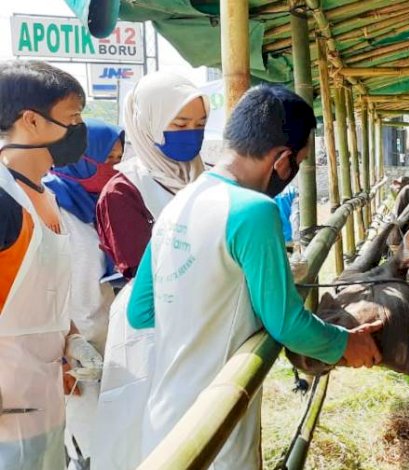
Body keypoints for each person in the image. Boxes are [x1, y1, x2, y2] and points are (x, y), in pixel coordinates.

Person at [124, 84, 381, 469]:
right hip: (215, 419)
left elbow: (140, 311)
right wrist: (346, 344)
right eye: (300, 161)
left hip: (162, 416)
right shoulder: (254, 211)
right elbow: (287, 323)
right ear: (282, 160)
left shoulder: (182, 200)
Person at [0, 60, 102, 470]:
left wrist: (72, 338)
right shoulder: (4, 202)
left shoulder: (47, 196)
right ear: (31, 121)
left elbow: (47, 292)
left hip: (43, 398)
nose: (79, 130)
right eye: (72, 118)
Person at [41, 119, 124, 466]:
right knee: (85, 443)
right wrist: (65, 347)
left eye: (119, 160)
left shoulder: (103, 203)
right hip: (73, 347)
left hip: (110, 338)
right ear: (83, 158)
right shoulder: (49, 205)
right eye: (109, 161)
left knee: (114, 436)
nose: (115, 170)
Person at [96, 71, 208, 281]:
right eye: (180, 125)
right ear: (147, 124)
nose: (192, 133)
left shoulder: (208, 177)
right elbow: (142, 275)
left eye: (200, 124)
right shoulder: (124, 191)